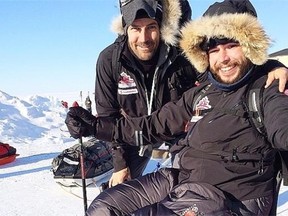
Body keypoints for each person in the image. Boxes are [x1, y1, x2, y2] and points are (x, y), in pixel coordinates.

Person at [66, 0, 288, 215]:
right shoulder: (201, 92)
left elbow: (282, 124)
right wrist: (95, 127)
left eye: (232, 46)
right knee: (104, 207)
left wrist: (271, 64)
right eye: (214, 49)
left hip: (228, 196)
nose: (224, 58)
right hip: (183, 177)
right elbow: (152, 125)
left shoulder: (267, 91)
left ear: (250, 47)